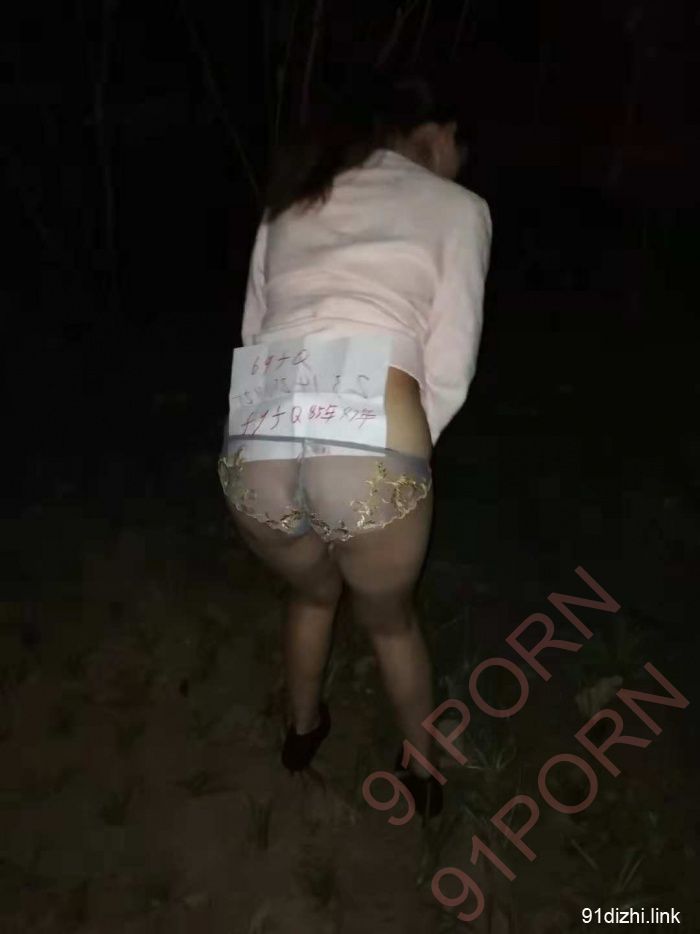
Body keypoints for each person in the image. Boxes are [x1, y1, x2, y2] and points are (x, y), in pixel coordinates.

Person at [218, 69, 492, 817]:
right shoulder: (458, 208)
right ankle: (420, 769)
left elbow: (254, 331)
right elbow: (450, 365)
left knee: (311, 593)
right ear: (437, 133)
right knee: (390, 621)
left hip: (258, 428)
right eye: (459, 147)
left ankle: (301, 732)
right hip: (373, 430)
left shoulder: (292, 198)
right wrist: (406, 449)